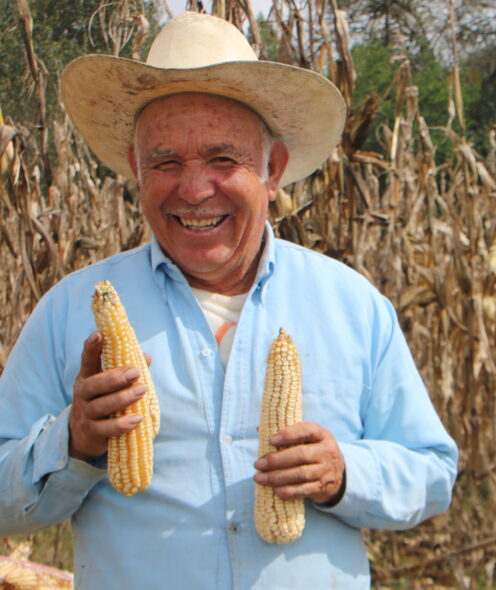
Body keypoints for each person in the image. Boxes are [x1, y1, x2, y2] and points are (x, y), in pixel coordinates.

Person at [0, 11, 457, 590]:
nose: (194, 189)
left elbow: (432, 474)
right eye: (166, 162)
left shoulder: (352, 306)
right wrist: (74, 440)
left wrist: (345, 473)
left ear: (273, 169)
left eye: (223, 159)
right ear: (137, 171)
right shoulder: (68, 312)